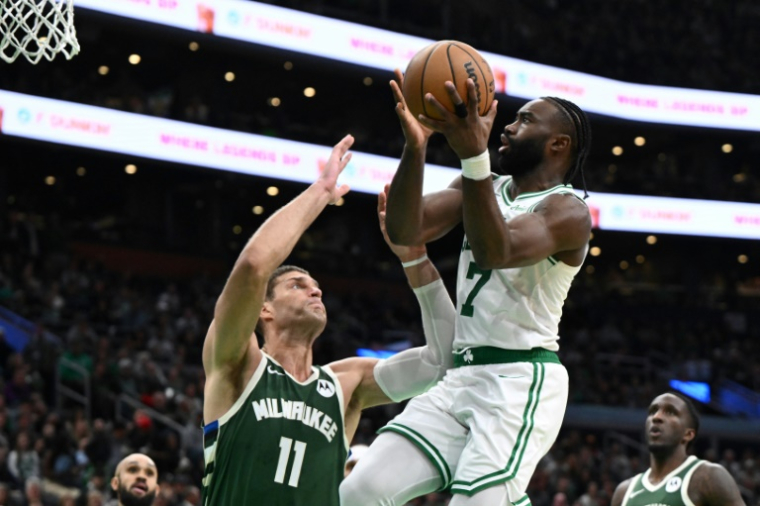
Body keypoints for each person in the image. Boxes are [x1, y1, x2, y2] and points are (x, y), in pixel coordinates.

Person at [341, 72, 593, 506]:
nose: (509, 127)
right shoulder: (481, 187)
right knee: (360, 491)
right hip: (461, 376)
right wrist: (416, 147)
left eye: (526, 120)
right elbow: (405, 228)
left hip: (518, 381)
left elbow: (498, 249)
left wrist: (474, 155)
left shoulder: (569, 211)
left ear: (558, 145)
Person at [201, 135, 457, 505]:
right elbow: (254, 266)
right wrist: (322, 191)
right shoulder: (238, 361)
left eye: (317, 286)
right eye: (297, 285)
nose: (316, 291)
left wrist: (415, 258)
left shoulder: (346, 384)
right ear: (264, 309)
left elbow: (442, 360)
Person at [611, 392, 745, 506]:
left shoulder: (707, 477)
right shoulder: (624, 492)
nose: (656, 417)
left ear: (688, 434)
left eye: (670, 412)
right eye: (652, 411)